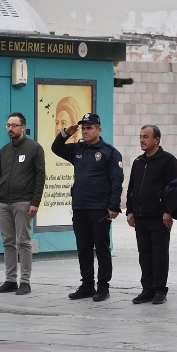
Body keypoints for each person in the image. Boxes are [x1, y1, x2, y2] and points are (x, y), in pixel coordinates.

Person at [51, 113, 124, 302]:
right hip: (80, 207)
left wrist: (114, 205)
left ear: (99, 130)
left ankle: (103, 287)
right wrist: (66, 133)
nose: (85, 131)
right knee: (83, 249)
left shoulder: (109, 152)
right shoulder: (77, 149)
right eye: (83, 128)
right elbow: (56, 148)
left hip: (99, 209)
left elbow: (117, 180)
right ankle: (87, 285)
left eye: (89, 128)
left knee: (102, 249)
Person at [0, 112, 46, 296]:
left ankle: (25, 281)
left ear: (23, 127)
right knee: (8, 242)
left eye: (14, 125)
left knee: (23, 242)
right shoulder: (4, 150)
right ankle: (10, 280)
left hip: (23, 201)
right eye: (8, 125)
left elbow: (40, 177)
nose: (10, 129)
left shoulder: (34, 148)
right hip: (3, 202)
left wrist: (35, 202)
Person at [126, 125, 177, 304]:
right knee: (144, 254)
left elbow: (173, 189)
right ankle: (147, 289)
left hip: (159, 217)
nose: (142, 140)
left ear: (157, 140)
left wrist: (168, 211)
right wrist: (130, 211)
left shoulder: (168, 160)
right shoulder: (138, 162)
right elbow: (132, 188)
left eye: (146, 137)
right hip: (140, 217)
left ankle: (160, 290)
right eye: (140, 136)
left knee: (159, 255)